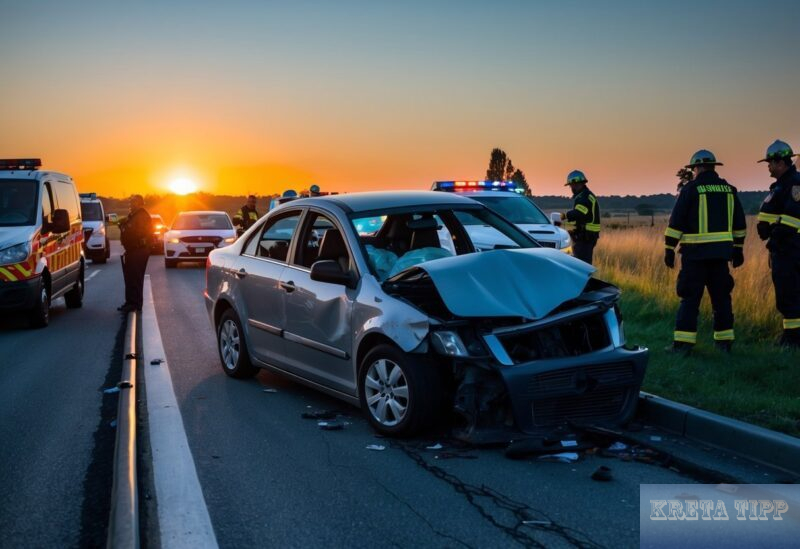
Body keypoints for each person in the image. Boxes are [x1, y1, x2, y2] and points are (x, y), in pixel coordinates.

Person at [663, 150, 746, 354]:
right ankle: (724, 344)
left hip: (695, 257)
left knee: (690, 299)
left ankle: (683, 345)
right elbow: (740, 224)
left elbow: (676, 222)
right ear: (714, 167)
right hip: (721, 257)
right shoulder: (729, 190)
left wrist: (669, 248)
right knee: (722, 300)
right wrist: (738, 249)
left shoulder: (691, 189)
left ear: (697, 168)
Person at [756, 140, 800, 349]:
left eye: (771, 162)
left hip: (790, 249)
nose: (768, 166)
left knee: (789, 294)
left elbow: (792, 218)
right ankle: (789, 335)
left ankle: (793, 339)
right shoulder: (782, 184)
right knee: (785, 293)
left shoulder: (795, 184)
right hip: (783, 248)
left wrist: (775, 239)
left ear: (781, 162)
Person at [118, 195, 152, 313]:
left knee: (135, 278)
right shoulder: (133, 216)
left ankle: (135, 304)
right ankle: (130, 302)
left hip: (139, 250)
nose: (130, 205)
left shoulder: (142, 216)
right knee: (130, 277)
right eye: (130, 203)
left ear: (138, 203)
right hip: (132, 250)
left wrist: (125, 227)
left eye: (132, 203)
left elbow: (135, 232)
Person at [563, 170, 601, 264]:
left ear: (577, 184)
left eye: (571, 185)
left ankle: (585, 279)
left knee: (581, 265)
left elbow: (579, 213)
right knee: (582, 263)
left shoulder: (584, 197)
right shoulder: (585, 195)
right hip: (587, 236)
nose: (571, 188)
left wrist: (564, 216)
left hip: (585, 237)